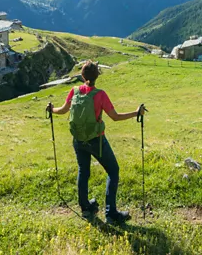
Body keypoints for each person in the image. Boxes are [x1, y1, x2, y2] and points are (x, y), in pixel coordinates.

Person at [47, 60, 146, 224]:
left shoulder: (74, 91)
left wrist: (51, 109)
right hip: (96, 140)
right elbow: (115, 117)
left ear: (82, 75)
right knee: (113, 171)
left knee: (83, 171)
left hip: (78, 139)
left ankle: (86, 208)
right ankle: (111, 213)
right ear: (97, 76)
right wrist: (136, 113)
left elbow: (63, 110)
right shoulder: (100, 95)